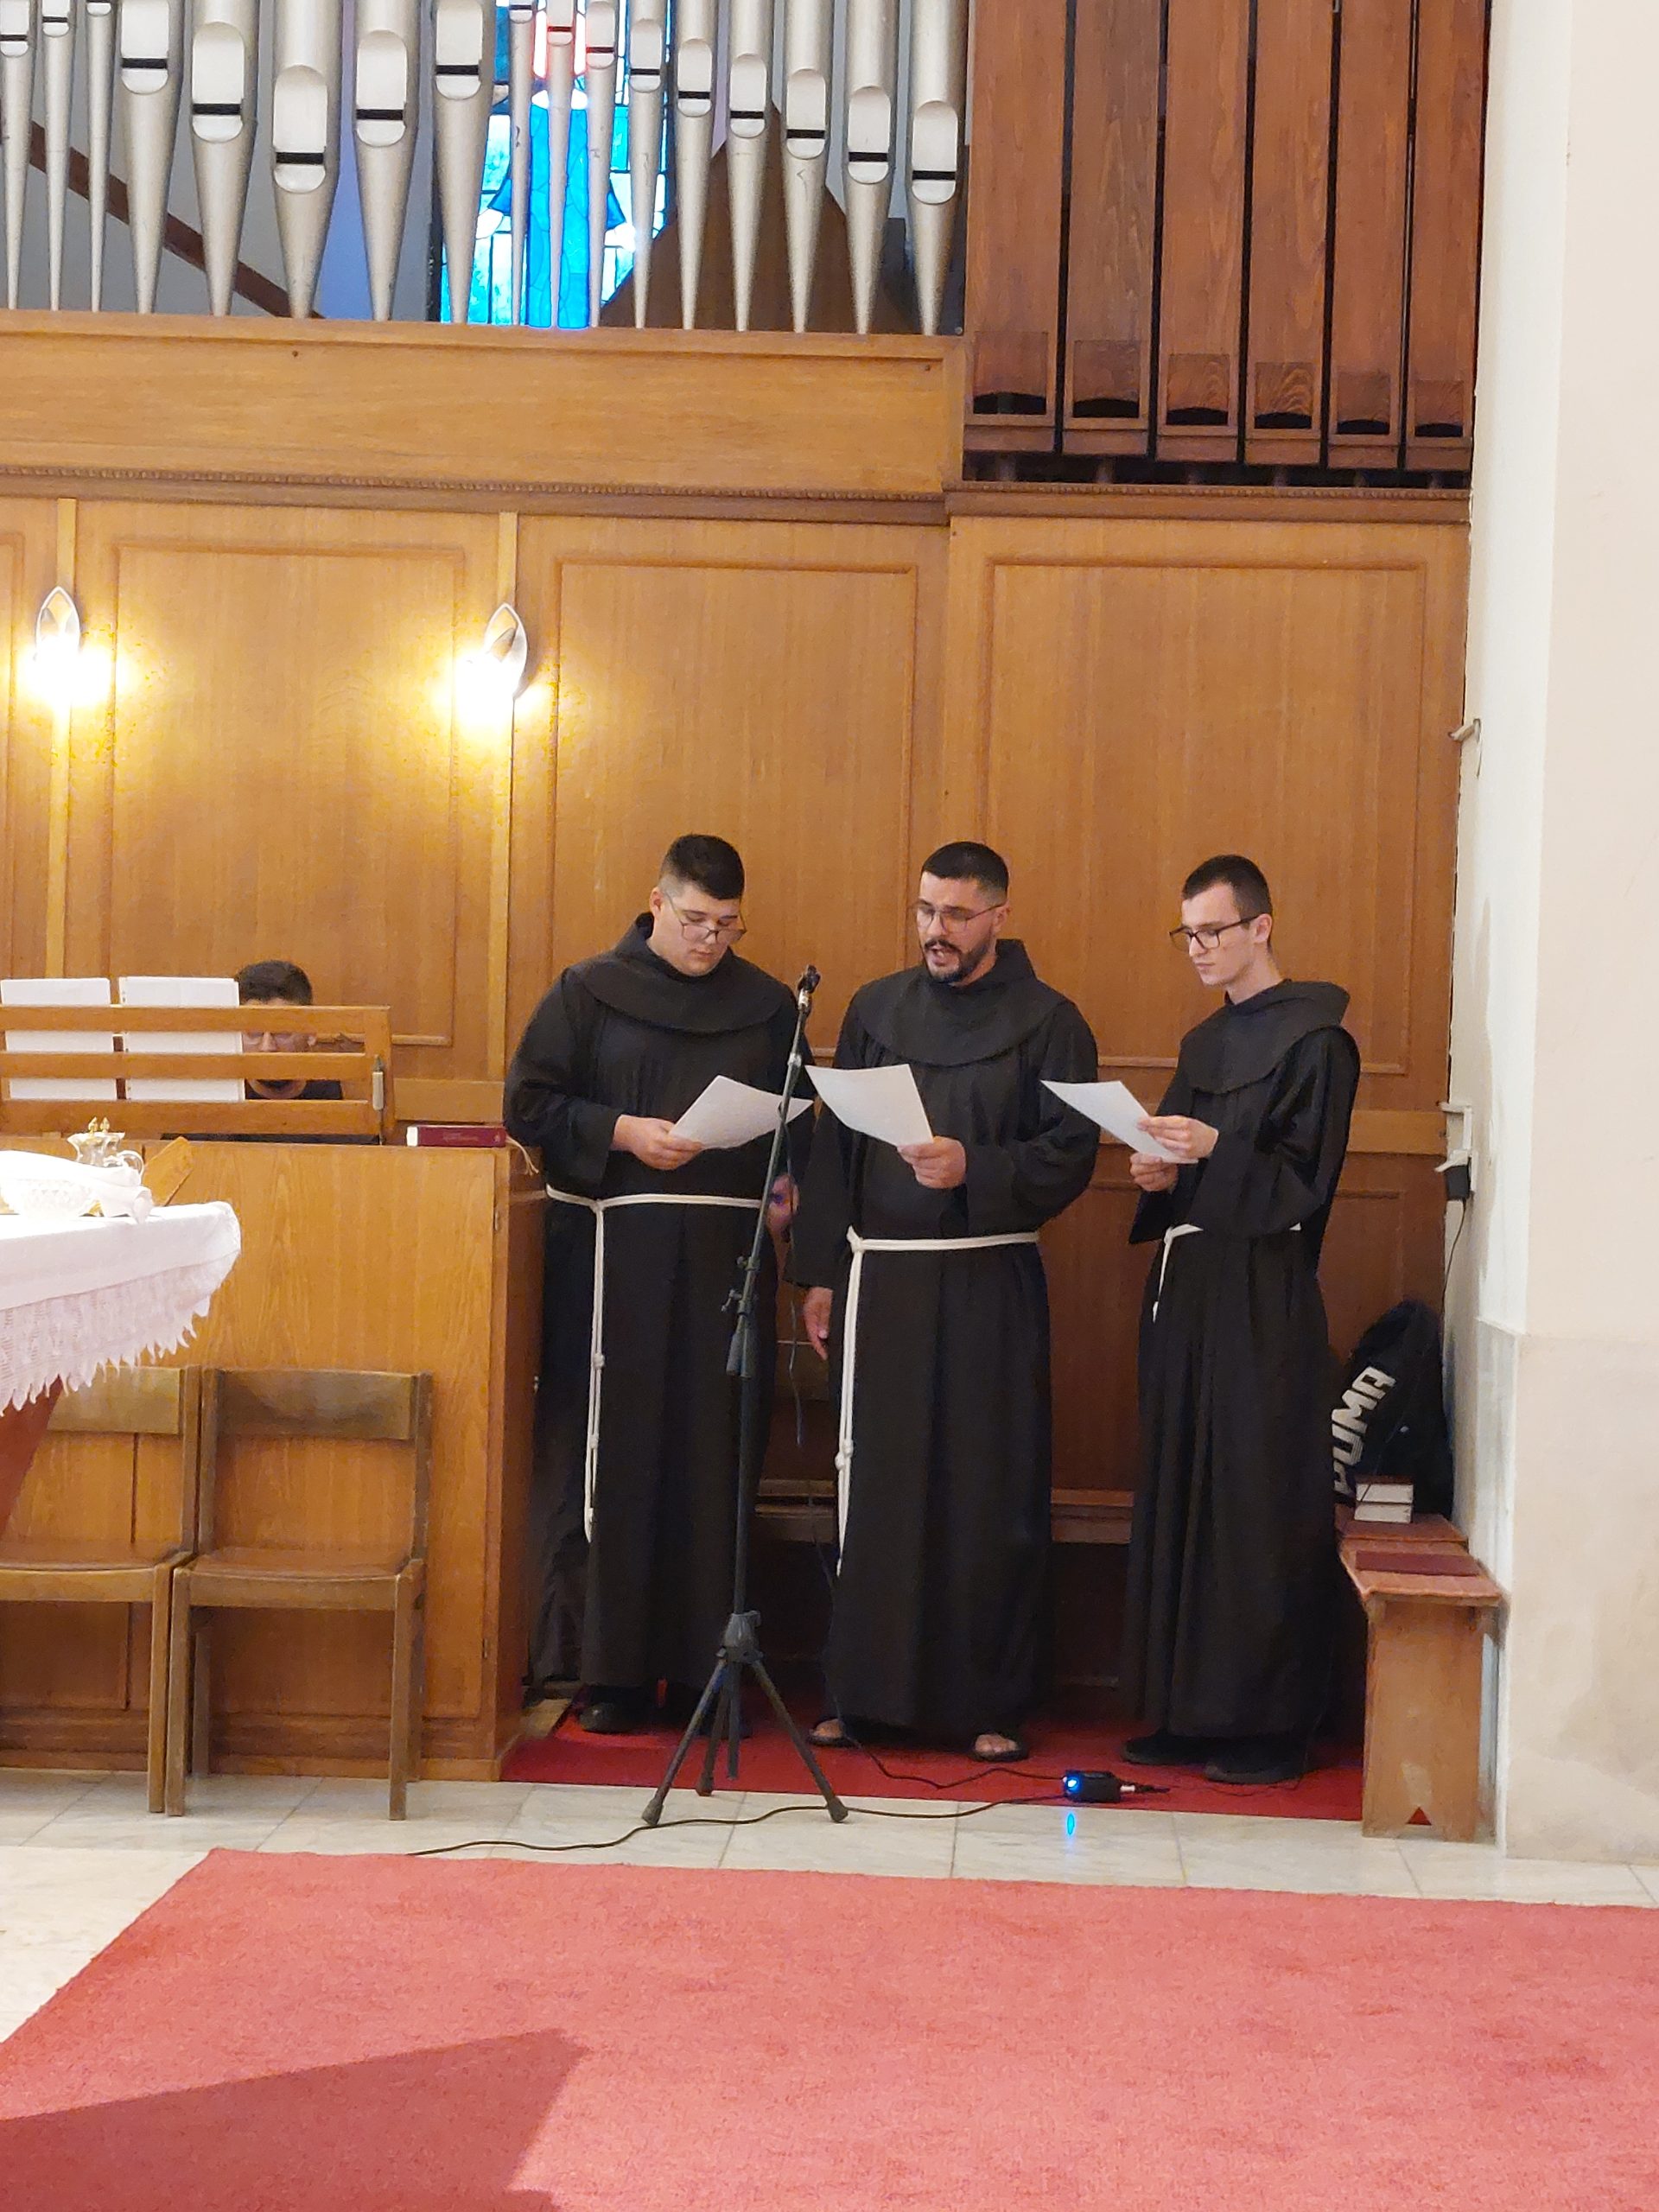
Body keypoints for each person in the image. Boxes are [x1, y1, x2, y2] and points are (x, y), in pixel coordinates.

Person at [791, 842, 1098, 1762]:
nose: (938, 930)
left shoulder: (1051, 1022)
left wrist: (978, 1168)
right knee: (877, 1485)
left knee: (983, 1487)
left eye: (958, 915)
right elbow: (838, 1150)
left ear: (999, 916)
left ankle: (990, 1700)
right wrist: (822, 1273)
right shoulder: (876, 1009)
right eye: (927, 911)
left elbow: (1070, 1154)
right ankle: (863, 1691)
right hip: (882, 1282)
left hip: (986, 1282)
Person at [503, 836, 800, 1732]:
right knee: (619, 1458)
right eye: (696, 920)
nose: (711, 940)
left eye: (727, 925)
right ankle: (615, 1675)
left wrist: (787, 1188)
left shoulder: (767, 1006)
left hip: (724, 1263)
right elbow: (529, 1103)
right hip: (613, 1264)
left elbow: (798, 1127)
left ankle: (711, 1670)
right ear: (657, 903)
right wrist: (626, 1132)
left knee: (715, 1457)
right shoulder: (588, 991)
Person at [1121, 855, 1360, 1786]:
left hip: (1263, 1289)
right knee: (1183, 1481)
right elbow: (1182, 1156)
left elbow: (1305, 1182)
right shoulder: (1204, 1042)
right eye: (1187, 934)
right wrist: (1157, 1172)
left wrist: (1217, 1148)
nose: (1198, 949)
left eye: (1213, 931)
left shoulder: (1318, 1041)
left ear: (1261, 927)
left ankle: (1270, 1725)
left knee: (1255, 1500)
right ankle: (1188, 1710)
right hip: (1190, 1285)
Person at [234, 960, 342, 1103]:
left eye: (282, 1032)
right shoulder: (222, 1094)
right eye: (254, 1033)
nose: (267, 1047)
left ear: (311, 1032)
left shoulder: (328, 1090)